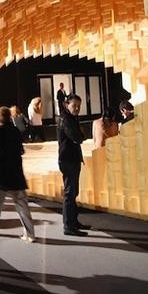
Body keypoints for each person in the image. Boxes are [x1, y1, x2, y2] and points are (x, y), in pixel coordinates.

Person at [0, 107, 36, 242]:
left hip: (0, 173)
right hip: (16, 172)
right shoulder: (16, 131)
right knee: (22, 204)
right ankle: (30, 233)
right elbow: (21, 151)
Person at [57, 94, 89, 236]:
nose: (77, 108)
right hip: (68, 159)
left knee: (73, 192)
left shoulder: (71, 118)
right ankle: (69, 226)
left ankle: (73, 222)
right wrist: (80, 135)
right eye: (74, 105)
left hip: (72, 158)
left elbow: (79, 136)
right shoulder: (65, 119)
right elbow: (76, 137)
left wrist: (80, 135)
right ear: (66, 104)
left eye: (78, 106)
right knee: (70, 193)